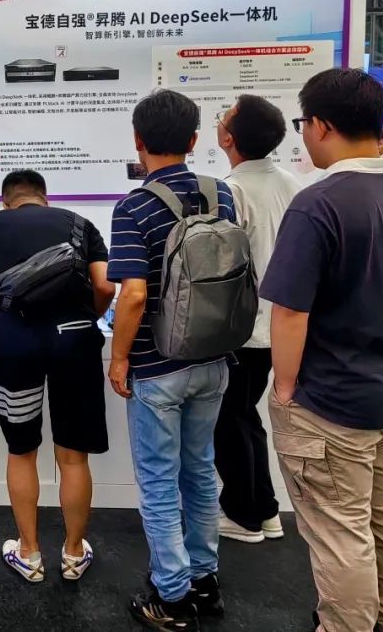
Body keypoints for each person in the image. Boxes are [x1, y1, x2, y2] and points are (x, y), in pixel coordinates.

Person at [260, 69, 383, 632]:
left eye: (304, 123)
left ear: (321, 125)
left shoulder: (318, 203)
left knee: (340, 532)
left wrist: (284, 391)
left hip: (331, 402)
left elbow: (290, 311)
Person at [107, 88, 235, 632]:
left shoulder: (134, 206)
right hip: (214, 357)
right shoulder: (219, 194)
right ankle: (205, 580)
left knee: (159, 481)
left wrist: (118, 359)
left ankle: (173, 596)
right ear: (194, 139)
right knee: (201, 471)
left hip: (157, 367)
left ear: (138, 141)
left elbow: (133, 295)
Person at [0, 170, 115, 583]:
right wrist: (89, 315)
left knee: (22, 450)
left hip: (15, 344)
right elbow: (105, 287)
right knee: (73, 456)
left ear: (6, 200)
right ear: (45, 197)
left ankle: (29, 553)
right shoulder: (80, 224)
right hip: (75, 342)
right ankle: (74, 553)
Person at [213, 95, 302, 544]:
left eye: (224, 116)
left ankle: (243, 516)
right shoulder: (292, 184)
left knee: (230, 421)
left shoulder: (230, 191)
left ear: (229, 138)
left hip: (242, 328)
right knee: (245, 416)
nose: (219, 121)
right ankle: (264, 510)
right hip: (282, 326)